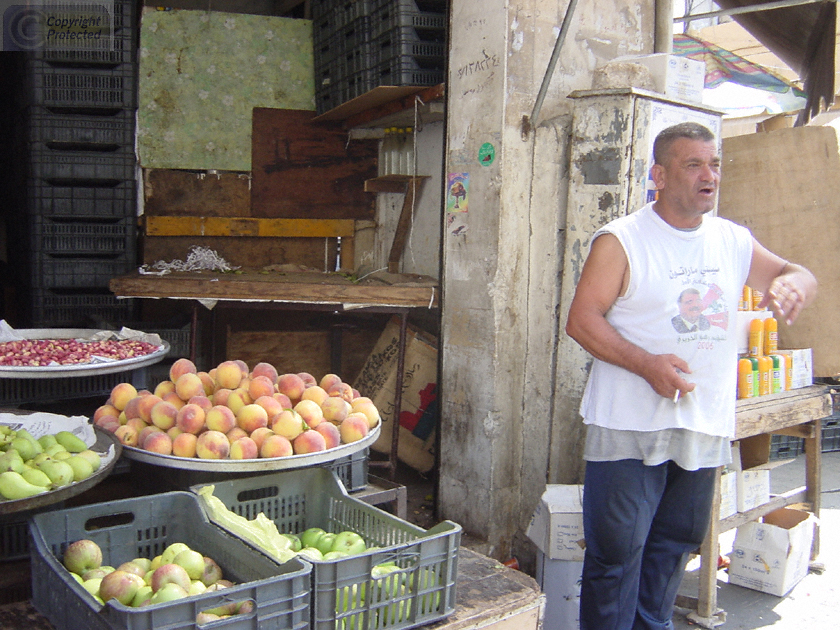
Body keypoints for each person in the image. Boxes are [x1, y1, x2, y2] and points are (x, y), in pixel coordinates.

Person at [565, 121, 817, 630]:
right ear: (659, 175)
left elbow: (796, 272)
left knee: (674, 550)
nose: (710, 175)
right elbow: (581, 320)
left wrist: (795, 283)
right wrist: (647, 365)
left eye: (715, 163)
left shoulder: (732, 240)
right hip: (629, 427)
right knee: (615, 559)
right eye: (694, 164)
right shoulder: (622, 240)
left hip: (703, 423)